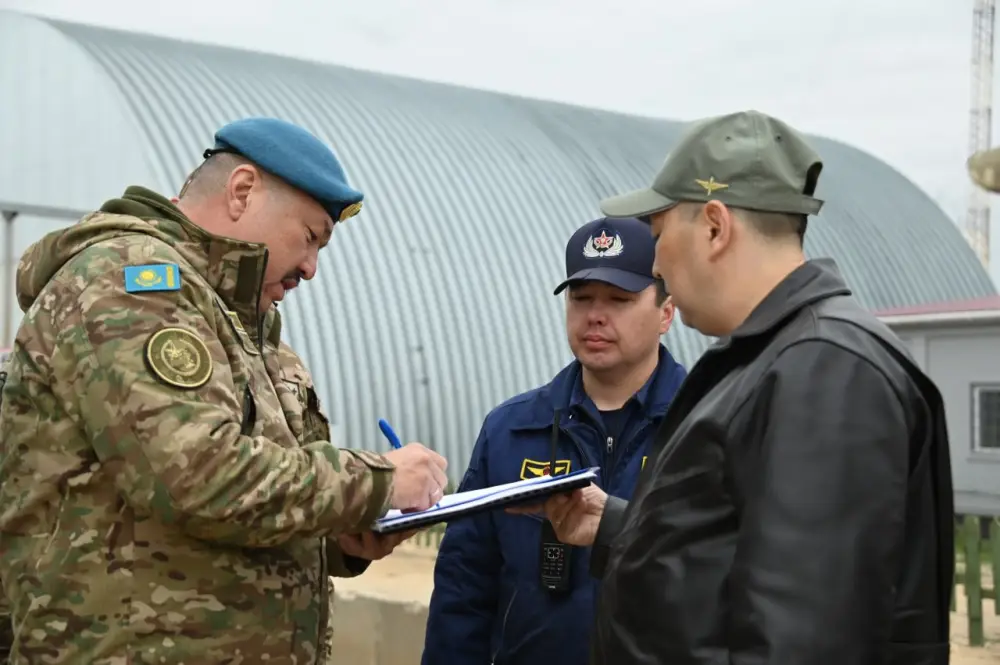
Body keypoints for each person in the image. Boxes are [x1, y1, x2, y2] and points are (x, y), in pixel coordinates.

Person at [511, 110, 956, 665]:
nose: (658, 262)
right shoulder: (776, 359)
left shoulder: (823, 371)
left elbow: (803, 637)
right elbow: (741, 554)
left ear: (715, 227)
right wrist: (620, 528)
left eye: (658, 235)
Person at [0, 116, 449, 663]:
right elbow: (195, 474)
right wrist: (376, 482)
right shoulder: (130, 281)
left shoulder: (241, 323)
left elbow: (242, 506)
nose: (311, 269)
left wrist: (343, 535)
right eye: (310, 238)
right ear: (241, 191)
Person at [422, 216, 688, 665]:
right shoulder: (512, 430)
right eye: (581, 299)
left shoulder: (701, 428)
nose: (595, 315)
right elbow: (464, 587)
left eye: (619, 299)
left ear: (666, 312)